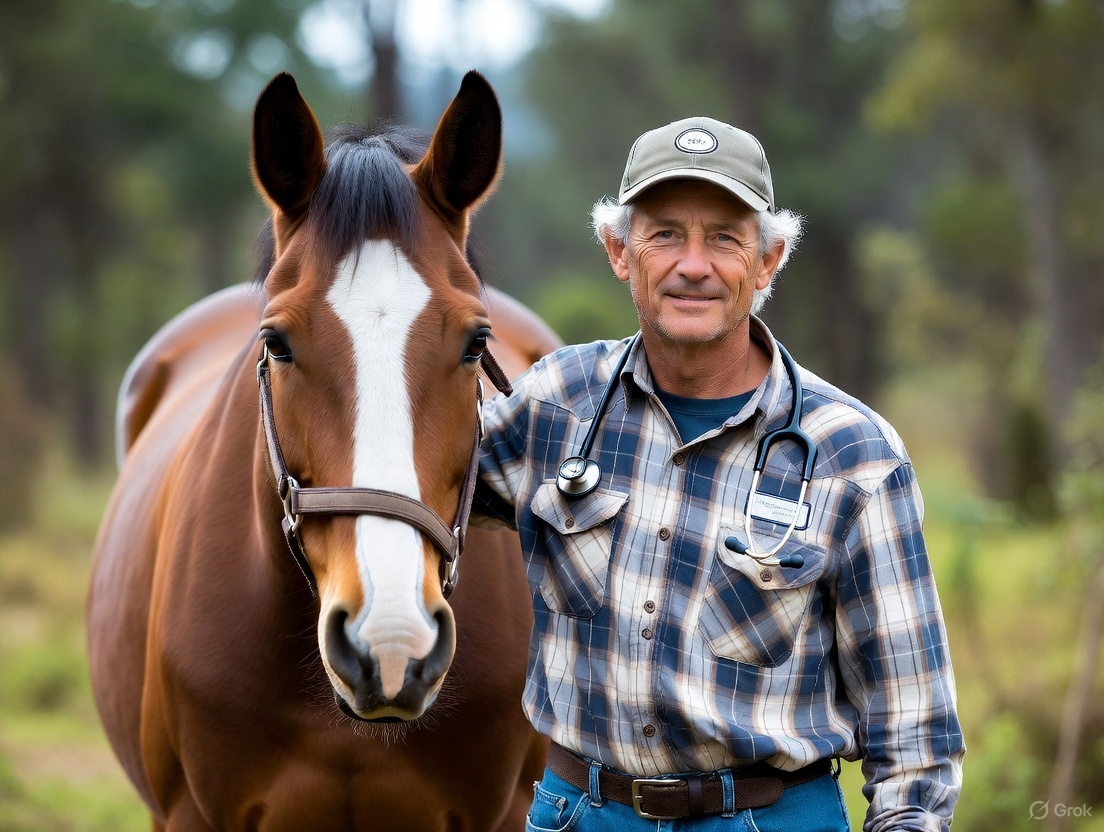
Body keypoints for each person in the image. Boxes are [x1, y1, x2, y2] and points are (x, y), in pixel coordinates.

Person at [475, 115, 964, 831]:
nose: (693, 265)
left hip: (768, 818)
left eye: (725, 238)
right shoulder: (554, 403)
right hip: (579, 814)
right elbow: (410, 493)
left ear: (768, 261)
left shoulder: (852, 454)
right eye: (665, 232)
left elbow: (915, 739)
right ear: (619, 251)